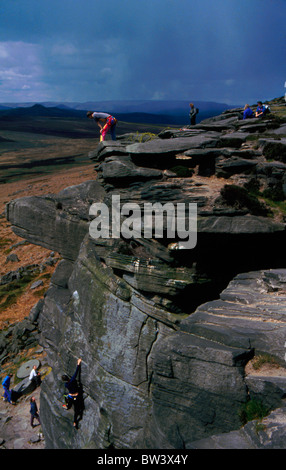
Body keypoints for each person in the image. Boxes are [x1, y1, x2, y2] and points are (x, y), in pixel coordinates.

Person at [62, 358, 84, 428]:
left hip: (71, 397)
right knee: (76, 410)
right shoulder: (72, 380)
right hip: (77, 396)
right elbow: (76, 373)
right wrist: (78, 363)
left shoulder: (66, 385)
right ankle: (75, 421)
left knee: (66, 396)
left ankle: (67, 406)